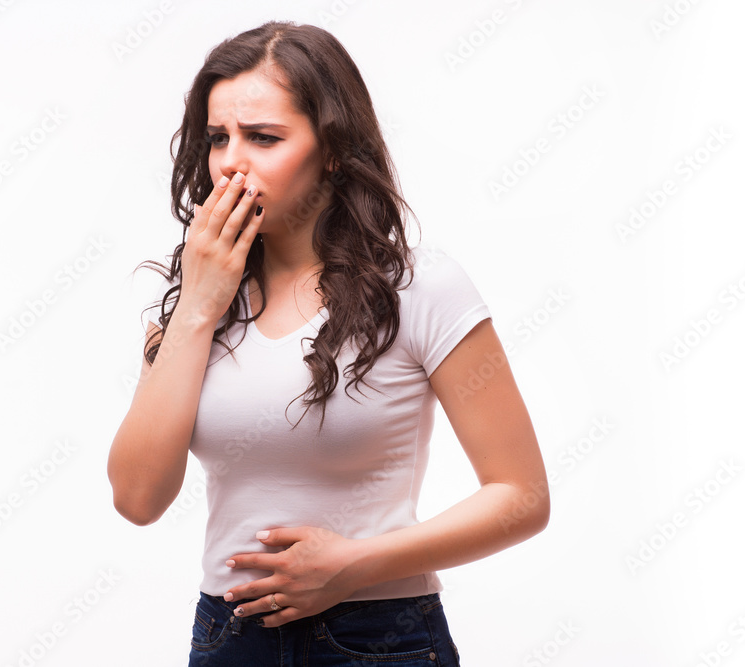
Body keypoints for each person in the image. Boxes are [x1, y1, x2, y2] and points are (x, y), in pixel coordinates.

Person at [108, 20, 550, 666]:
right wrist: (199, 307)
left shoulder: (420, 285)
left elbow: (521, 495)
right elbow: (137, 497)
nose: (232, 160)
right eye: (217, 138)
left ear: (334, 148)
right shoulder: (194, 300)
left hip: (381, 637)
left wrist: (352, 563)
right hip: (230, 638)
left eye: (264, 137)